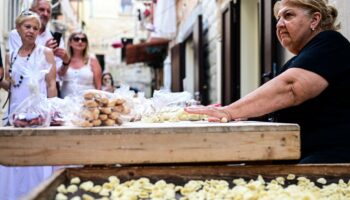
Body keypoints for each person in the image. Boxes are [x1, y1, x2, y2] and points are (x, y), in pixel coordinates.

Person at [185, 0, 350, 164]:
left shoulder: (330, 43)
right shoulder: (298, 60)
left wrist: (230, 112)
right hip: (300, 154)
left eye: (288, 15)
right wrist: (243, 117)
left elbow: (291, 88)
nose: (279, 25)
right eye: (278, 19)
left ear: (314, 20)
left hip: (331, 159)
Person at [0, 10, 57, 200]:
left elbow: (50, 84)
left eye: (35, 28)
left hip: (38, 114)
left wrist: (51, 113)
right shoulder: (12, 55)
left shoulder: (46, 53)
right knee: (15, 157)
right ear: (18, 29)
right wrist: (0, 80)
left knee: (36, 156)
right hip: (16, 114)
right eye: (27, 27)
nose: (31, 31)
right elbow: (11, 85)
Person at [8, 0, 66, 97]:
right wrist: (42, 52)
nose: (45, 13)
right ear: (31, 10)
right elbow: (21, 67)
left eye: (48, 11)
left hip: (49, 89)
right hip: (23, 90)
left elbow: (58, 73)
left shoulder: (54, 38)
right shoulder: (16, 35)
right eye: (41, 9)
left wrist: (66, 61)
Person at [58, 31, 102, 98]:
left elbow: (98, 86)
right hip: (65, 102)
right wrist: (65, 62)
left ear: (86, 44)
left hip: (87, 102)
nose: (80, 41)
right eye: (76, 39)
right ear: (70, 43)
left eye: (83, 40)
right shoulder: (63, 58)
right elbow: (60, 74)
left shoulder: (92, 60)